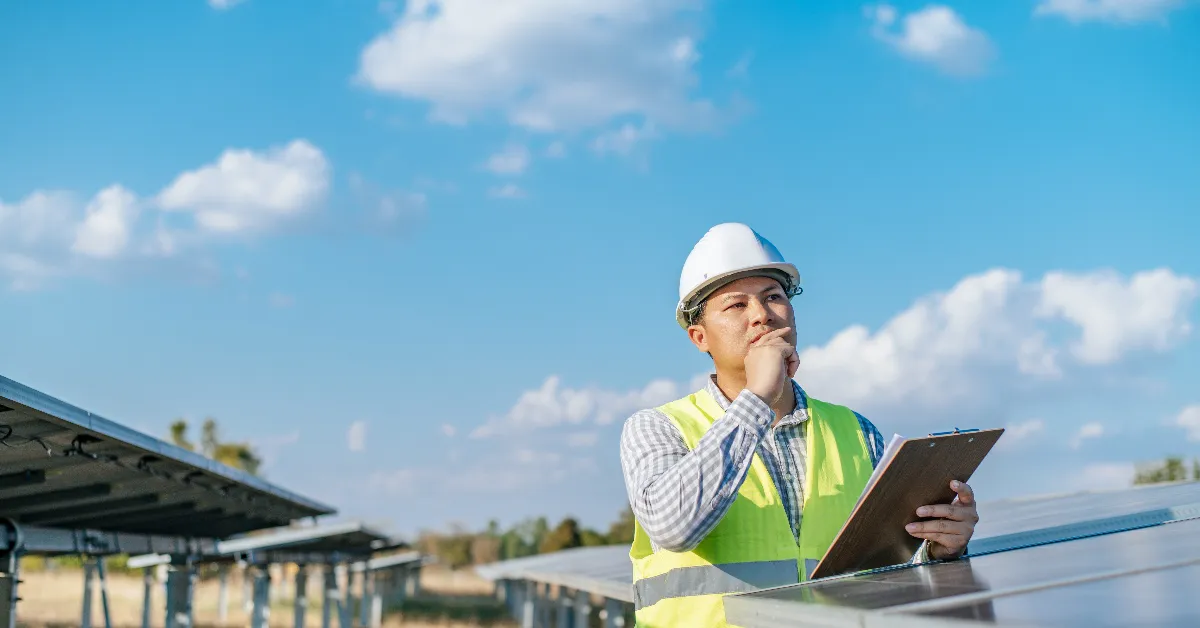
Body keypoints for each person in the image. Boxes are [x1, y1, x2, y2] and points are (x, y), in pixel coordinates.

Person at [619, 223, 980, 628]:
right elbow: (675, 527)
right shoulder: (656, 427)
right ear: (699, 337)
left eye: (773, 297)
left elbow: (890, 573)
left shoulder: (857, 431)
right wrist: (757, 399)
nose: (761, 316)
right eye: (737, 305)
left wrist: (940, 551)